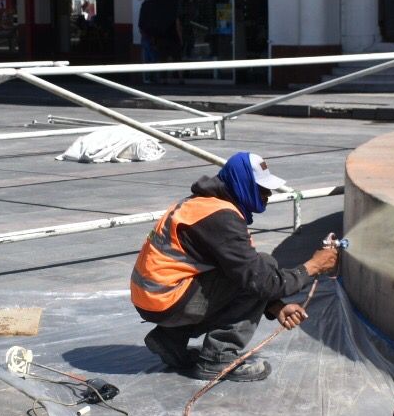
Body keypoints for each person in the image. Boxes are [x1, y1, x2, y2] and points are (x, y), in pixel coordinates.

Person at [132, 152, 339, 383]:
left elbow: (242, 272)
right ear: (243, 184)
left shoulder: (204, 205)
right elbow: (261, 281)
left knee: (253, 269)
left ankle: (170, 340)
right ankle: (216, 359)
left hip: (156, 297)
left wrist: (275, 307)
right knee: (264, 267)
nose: (268, 194)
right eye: (261, 188)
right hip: (167, 298)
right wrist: (312, 266)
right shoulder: (220, 217)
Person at [137, 0, 182, 81]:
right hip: (172, 39)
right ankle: (179, 78)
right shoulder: (172, 9)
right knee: (177, 60)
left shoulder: (147, 6)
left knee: (159, 60)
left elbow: (141, 24)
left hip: (157, 38)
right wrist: (181, 39)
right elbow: (177, 26)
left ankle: (155, 79)